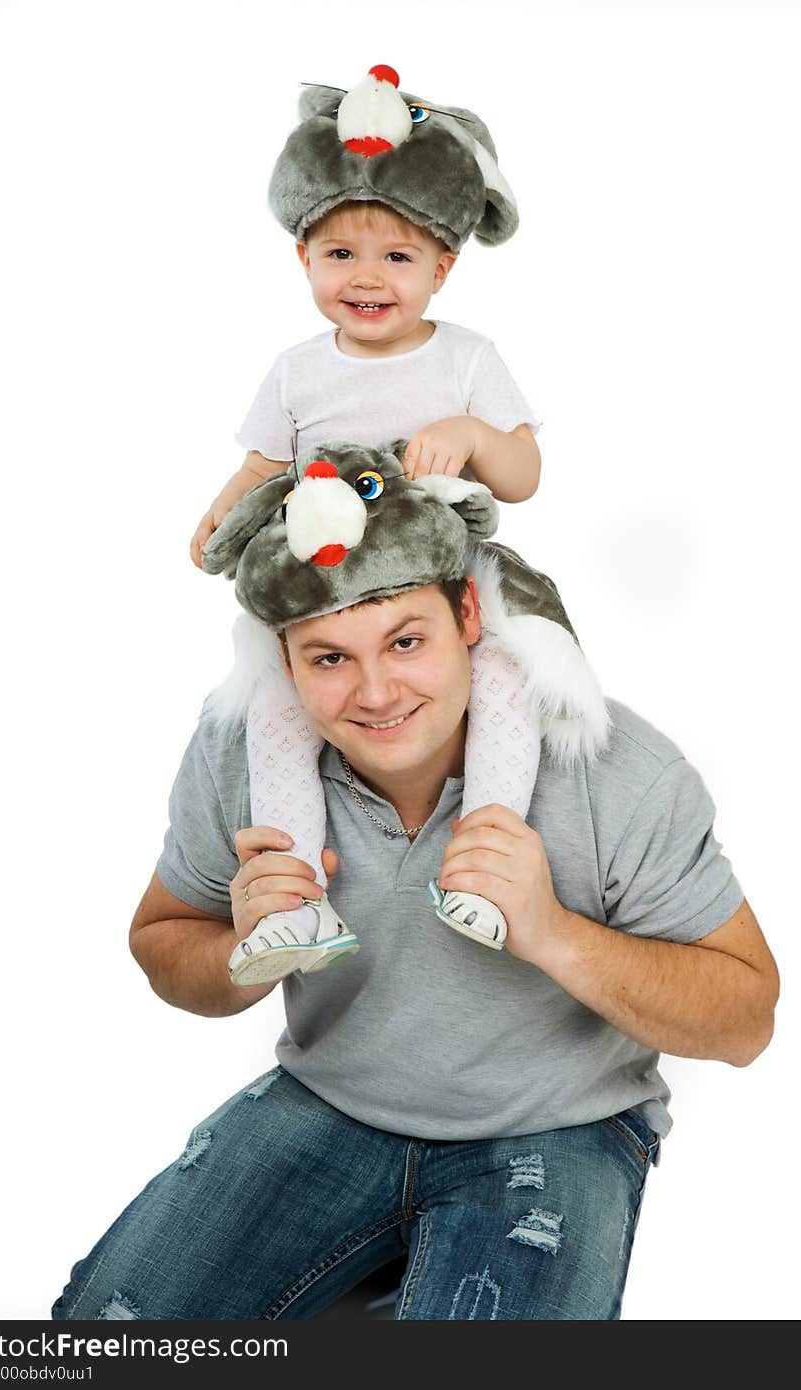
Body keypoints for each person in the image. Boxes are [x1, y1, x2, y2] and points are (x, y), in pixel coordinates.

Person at [51, 449, 779, 1322]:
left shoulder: (614, 767)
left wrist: (551, 931)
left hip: (556, 1127)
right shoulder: (241, 753)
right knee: (96, 1340)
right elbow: (162, 939)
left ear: (468, 612)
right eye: (328, 658)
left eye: (405, 640)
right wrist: (239, 951)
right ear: (285, 662)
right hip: (330, 1102)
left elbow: (747, 1020)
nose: (376, 691)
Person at [188, 64, 574, 971]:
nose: (368, 279)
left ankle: (484, 863)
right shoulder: (297, 370)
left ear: (443, 266)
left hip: (441, 572)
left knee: (510, 682)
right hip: (325, 582)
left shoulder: (468, 359)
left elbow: (522, 477)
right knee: (277, 711)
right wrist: (216, 517)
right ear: (304, 259)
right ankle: (295, 902)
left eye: (397, 258)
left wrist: (473, 432)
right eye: (341, 256)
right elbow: (260, 465)